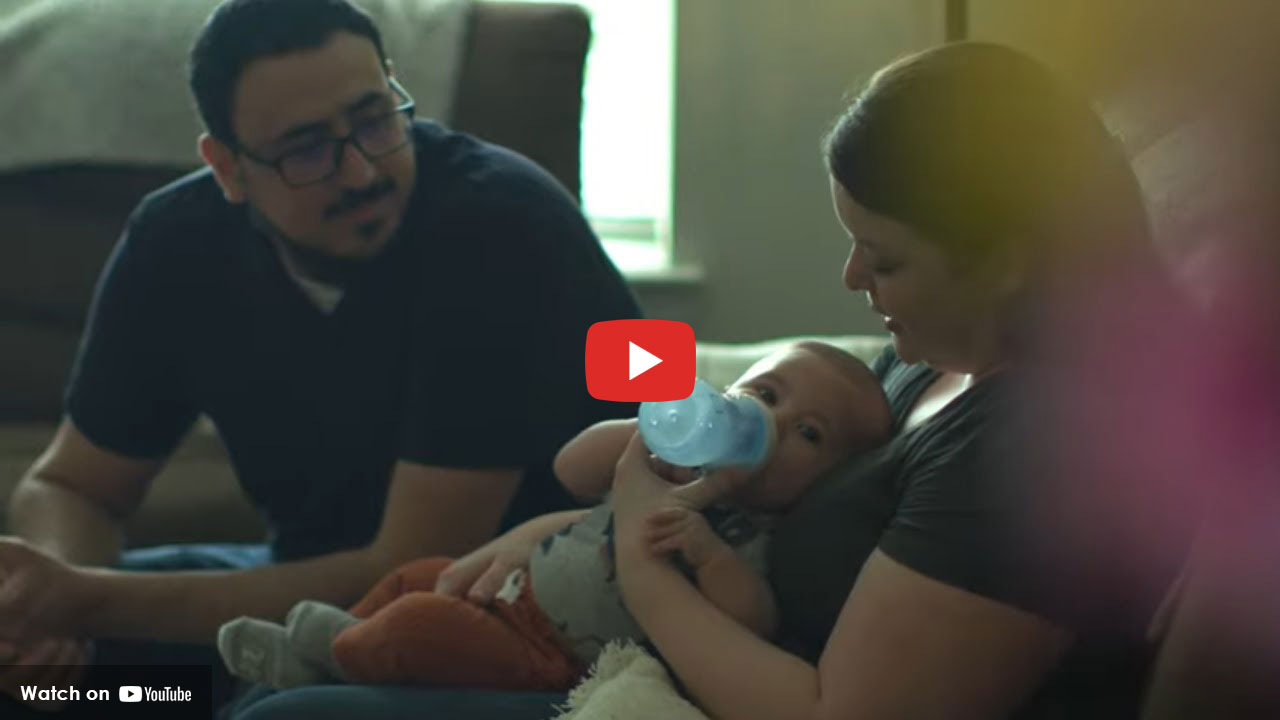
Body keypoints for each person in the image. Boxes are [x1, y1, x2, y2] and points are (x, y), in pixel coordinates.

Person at [0, 0, 640, 714]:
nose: (362, 171)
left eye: (375, 119)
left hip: (525, 629)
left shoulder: (499, 229)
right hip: (307, 604)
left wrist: (89, 600)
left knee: (281, 715)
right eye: (307, 149)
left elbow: (410, 567)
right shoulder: (176, 246)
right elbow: (73, 486)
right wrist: (53, 607)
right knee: (35, 682)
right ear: (228, 166)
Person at [605, 42, 1199, 720]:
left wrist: (641, 566)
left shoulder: (1035, 446)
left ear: (1007, 263)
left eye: (885, 260)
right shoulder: (931, 357)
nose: (852, 278)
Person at [215, 342, 892, 692]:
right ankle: (335, 648)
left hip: (549, 654)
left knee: (420, 625)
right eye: (764, 394)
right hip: (511, 594)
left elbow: (752, 621)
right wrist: (651, 424)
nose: (770, 423)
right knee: (418, 577)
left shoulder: (754, 532)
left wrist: (707, 555)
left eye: (808, 434)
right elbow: (572, 470)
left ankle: (332, 654)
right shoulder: (671, 465)